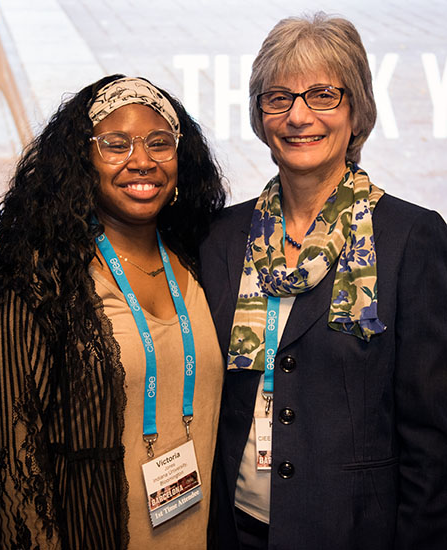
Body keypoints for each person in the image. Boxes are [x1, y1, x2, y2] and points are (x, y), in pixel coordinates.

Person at [200, 13, 447, 550]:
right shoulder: (222, 237)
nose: (298, 116)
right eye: (278, 98)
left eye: (322, 95)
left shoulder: (411, 237)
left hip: (354, 535)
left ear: (356, 110)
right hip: (236, 532)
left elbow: (431, 440)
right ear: (259, 115)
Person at [0, 74, 226, 549]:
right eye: (116, 144)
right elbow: (15, 456)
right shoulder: (36, 278)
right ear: (83, 161)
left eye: (160, 143)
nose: (142, 161)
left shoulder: (198, 258)